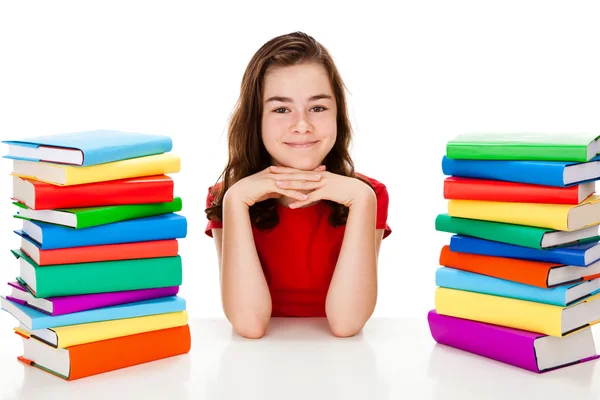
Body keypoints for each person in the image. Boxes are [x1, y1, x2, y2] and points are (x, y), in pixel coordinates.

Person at [204, 31, 391, 339]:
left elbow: (346, 324)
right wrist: (235, 201)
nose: (302, 125)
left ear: (338, 115)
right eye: (281, 109)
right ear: (256, 119)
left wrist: (362, 200)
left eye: (318, 108)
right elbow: (249, 325)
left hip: (340, 365)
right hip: (258, 366)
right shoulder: (226, 196)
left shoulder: (369, 194)